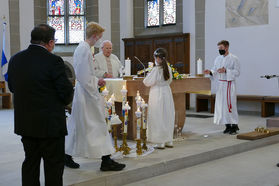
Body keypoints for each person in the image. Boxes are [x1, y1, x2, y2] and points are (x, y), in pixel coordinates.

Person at [7, 24, 73, 186]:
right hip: (50, 125)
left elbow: (13, 88)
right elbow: (65, 93)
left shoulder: (16, 59)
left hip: (26, 124)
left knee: (30, 163)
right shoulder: (54, 61)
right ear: (50, 42)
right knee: (53, 166)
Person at [65, 22, 125, 171]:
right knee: (98, 125)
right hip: (87, 94)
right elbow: (83, 75)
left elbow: (85, 74)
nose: (99, 40)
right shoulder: (84, 49)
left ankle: (66, 155)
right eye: (99, 37)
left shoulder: (83, 48)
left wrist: (94, 80)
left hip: (84, 91)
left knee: (78, 125)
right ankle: (106, 161)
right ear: (94, 35)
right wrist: (95, 83)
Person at [204, 40, 240, 135]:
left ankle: (234, 125)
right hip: (220, 85)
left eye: (221, 48)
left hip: (229, 84)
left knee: (230, 105)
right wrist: (210, 72)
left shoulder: (234, 58)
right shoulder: (218, 59)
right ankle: (227, 125)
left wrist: (226, 71)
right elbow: (215, 69)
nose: (219, 50)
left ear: (226, 47)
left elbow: (237, 72)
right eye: (219, 48)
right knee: (222, 105)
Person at [143, 48, 175, 149]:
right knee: (167, 116)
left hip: (157, 93)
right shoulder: (168, 68)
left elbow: (146, 82)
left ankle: (160, 141)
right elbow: (170, 80)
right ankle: (169, 140)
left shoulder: (156, 69)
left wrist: (148, 75)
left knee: (157, 116)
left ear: (157, 58)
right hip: (167, 92)